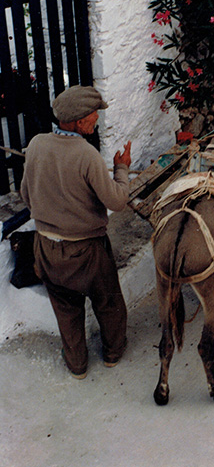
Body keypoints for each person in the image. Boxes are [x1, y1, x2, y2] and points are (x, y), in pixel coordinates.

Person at [20, 85, 132, 378]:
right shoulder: (87, 155)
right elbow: (117, 201)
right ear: (78, 121)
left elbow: (25, 195)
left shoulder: (35, 146)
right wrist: (121, 169)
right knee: (108, 302)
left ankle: (77, 365)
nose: (96, 119)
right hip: (87, 251)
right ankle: (112, 353)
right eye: (93, 115)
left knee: (67, 310)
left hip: (46, 248)